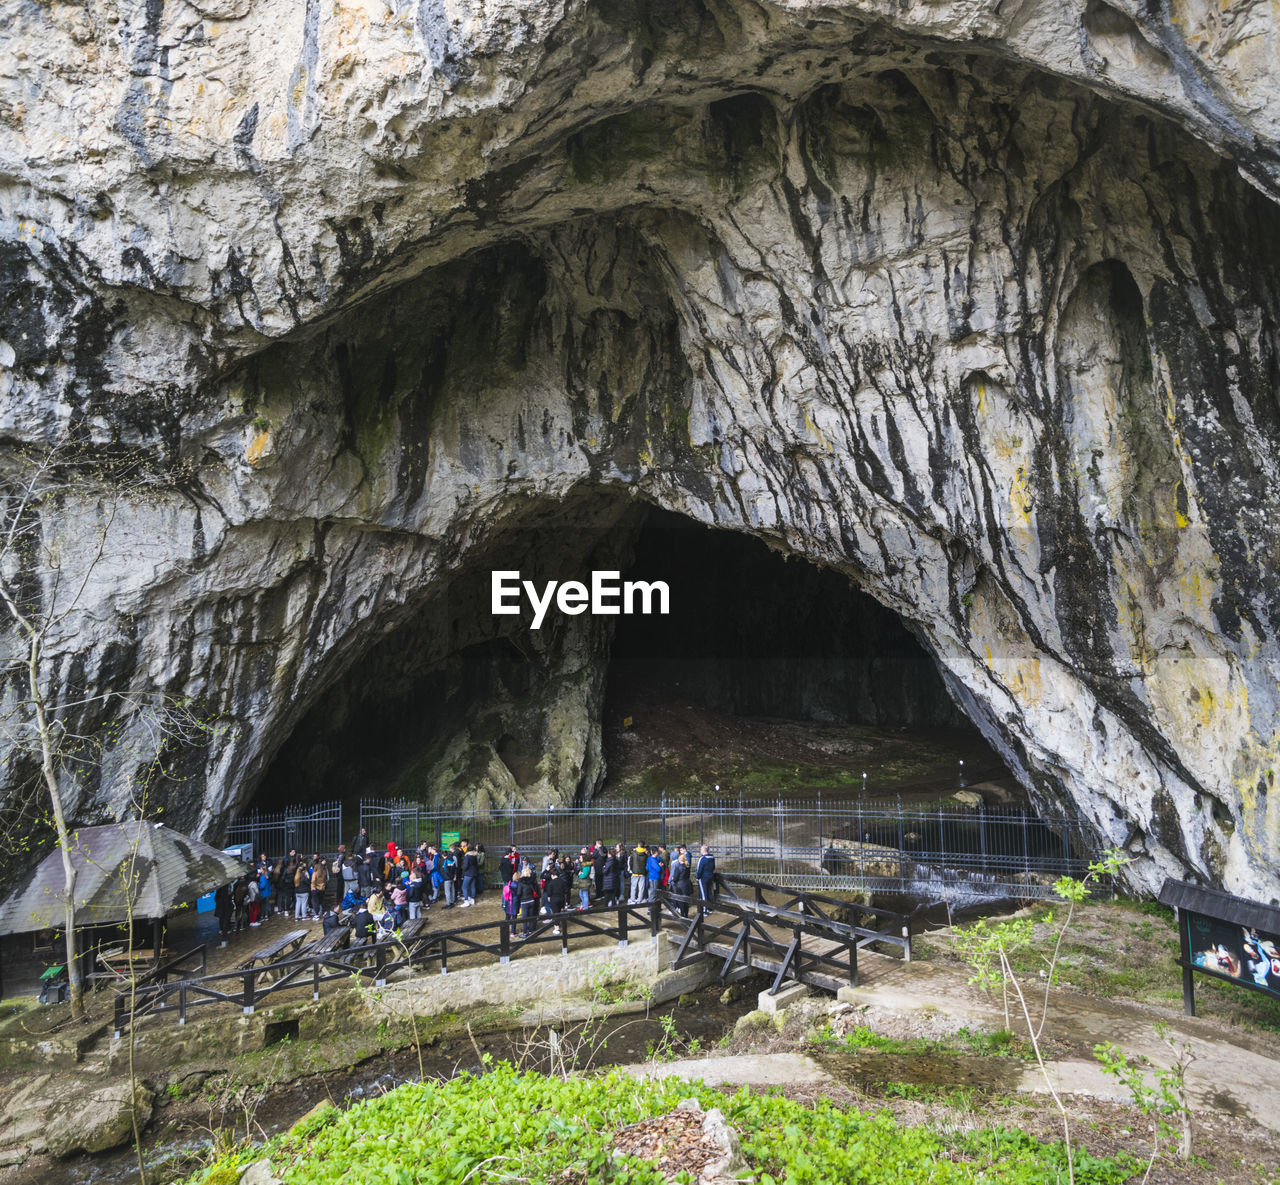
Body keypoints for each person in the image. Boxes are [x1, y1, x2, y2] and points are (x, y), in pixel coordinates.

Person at [669, 850, 693, 917]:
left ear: (679, 859)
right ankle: (686, 914)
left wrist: (673, 878)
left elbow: (676, 878)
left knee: (681, 900)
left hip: (680, 885)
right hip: (687, 884)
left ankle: (682, 915)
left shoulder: (678, 867)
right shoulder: (687, 866)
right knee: (686, 900)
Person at [695, 844, 716, 915]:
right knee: (709, 892)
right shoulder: (712, 857)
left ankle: (704, 910)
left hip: (703, 878)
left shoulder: (702, 859)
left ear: (703, 851)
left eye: (701, 849)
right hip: (710, 876)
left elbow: (699, 869)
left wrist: (697, 877)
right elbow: (713, 867)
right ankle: (710, 908)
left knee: (703, 893)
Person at [309, 855, 328, 920]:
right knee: (322, 900)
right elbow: (325, 879)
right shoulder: (324, 870)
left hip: (316, 887)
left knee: (315, 902)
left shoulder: (316, 870)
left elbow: (313, 879)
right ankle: (325, 912)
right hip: (322, 887)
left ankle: (316, 915)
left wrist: (313, 886)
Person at [460, 842, 478, 908]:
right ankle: (472, 899)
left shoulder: (467, 856)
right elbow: (476, 864)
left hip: (468, 873)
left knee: (464, 887)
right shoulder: (474, 855)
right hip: (474, 872)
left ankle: (466, 901)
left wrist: (463, 872)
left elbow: (466, 865)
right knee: (472, 886)